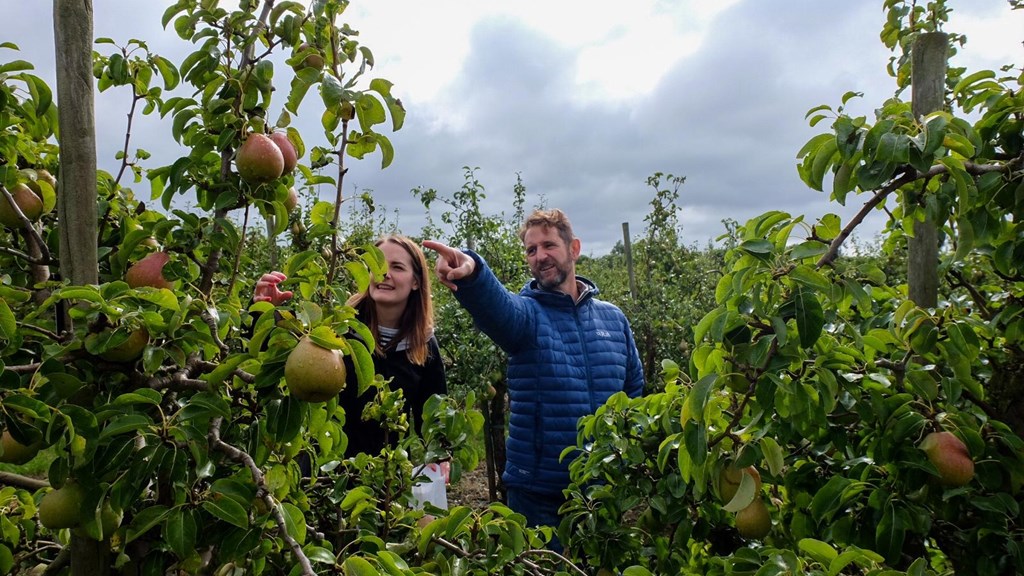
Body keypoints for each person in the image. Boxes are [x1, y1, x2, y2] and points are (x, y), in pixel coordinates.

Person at [423, 208, 644, 544]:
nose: (540, 256)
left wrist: (626, 460)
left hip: (602, 490)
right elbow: (497, 307)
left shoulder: (613, 320)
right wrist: (472, 272)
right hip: (539, 493)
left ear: (574, 248)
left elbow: (634, 392)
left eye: (549, 245)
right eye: (531, 250)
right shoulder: (527, 315)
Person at [255, 235, 447, 460]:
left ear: (416, 281)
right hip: (323, 467)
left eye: (397, 267)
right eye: (377, 266)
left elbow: (433, 416)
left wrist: (440, 456)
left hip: (383, 472)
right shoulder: (334, 329)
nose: (384, 273)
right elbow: (272, 350)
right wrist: (262, 310)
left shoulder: (423, 344)